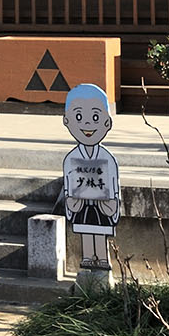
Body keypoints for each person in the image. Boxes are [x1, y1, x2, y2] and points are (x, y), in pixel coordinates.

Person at [61, 83, 120, 270]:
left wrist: (113, 202)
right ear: (67, 120)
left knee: (100, 231)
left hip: (103, 205)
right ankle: (87, 257)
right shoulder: (71, 158)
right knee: (85, 229)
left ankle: (103, 258)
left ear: (107, 122)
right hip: (82, 205)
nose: (87, 124)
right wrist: (70, 201)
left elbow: (113, 183)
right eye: (78, 116)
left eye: (95, 117)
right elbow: (68, 184)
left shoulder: (107, 158)